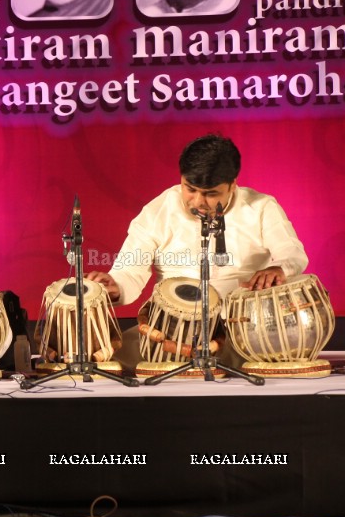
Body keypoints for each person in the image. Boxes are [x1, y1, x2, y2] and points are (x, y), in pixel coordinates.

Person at [87, 134, 308, 368]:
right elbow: (130, 272)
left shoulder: (261, 207)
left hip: (241, 327)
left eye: (211, 193)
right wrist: (115, 286)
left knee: (272, 365)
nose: (198, 201)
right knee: (108, 363)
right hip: (168, 332)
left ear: (233, 185)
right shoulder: (158, 211)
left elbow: (292, 254)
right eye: (190, 189)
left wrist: (278, 268)